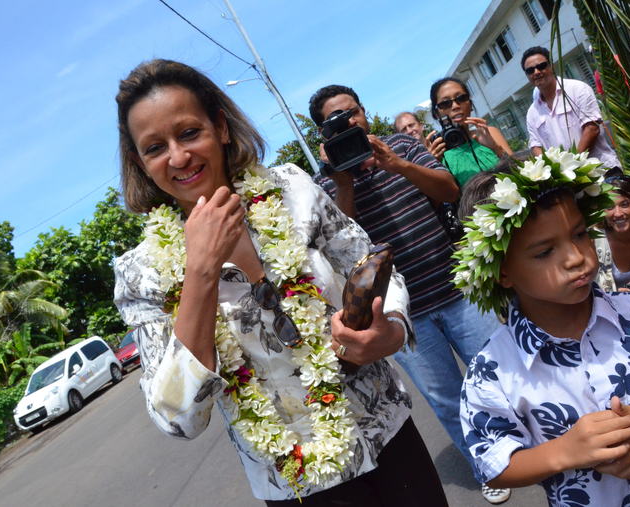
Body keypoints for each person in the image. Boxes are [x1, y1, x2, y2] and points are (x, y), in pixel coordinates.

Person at [112, 59, 449, 506]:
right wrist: (201, 271)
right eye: (155, 147)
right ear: (140, 162)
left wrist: (391, 327)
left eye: (190, 133)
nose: (178, 157)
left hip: (387, 434)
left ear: (221, 128)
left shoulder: (292, 189)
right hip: (297, 483)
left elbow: (367, 263)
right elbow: (180, 419)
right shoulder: (142, 272)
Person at [454, 148, 630, 505]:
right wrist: (565, 451)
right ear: (502, 272)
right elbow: (494, 462)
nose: (577, 257)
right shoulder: (493, 371)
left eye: (579, 234)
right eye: (544, 252)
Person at [308, 85, 509, 504]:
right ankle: (488, 465)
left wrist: (396, 163)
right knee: (449, 399)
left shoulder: (400, 144)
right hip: (400, 315)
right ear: (321, 136)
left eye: (351, 114)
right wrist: (341, 180)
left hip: (456, 289)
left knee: (499, 376)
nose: (348, 124)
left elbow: (450, 191)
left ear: (364, 112)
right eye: (335, 122)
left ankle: (529, 447)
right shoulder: (322, 186)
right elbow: (335, 237)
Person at [522, 46, 621, 169]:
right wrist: (551, 172)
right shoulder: (532, 112)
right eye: (530, 70)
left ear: (551, 65)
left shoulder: (578, 89)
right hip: (566, 182)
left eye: (541, 66)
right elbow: (536, 145)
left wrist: (572, 166)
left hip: (601, 169)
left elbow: (592, 128)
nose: (536, 72)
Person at [426, 77, 513, 187]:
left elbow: (517, 170)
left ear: (470, 105)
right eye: (445, 103)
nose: (455, 106)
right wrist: (434, 165)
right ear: (436, 113)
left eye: (461, 98)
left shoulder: (489, 133)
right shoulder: (437, 152)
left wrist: (495, 148)